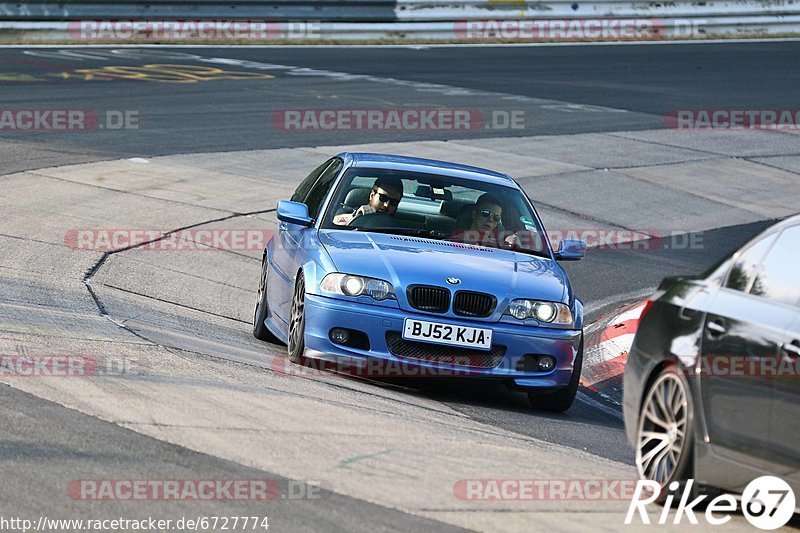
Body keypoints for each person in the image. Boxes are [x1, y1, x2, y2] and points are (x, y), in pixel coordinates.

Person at [450, 193, 520, 248]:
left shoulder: (500, 248)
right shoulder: (453, 242)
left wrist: (512, 245)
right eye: (486, 213)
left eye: (496, 217)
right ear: (474, 214)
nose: (490, 219)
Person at [332, 177, 403, 226]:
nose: (386, 205)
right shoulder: (348, 212)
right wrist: (355, 216)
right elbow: (335, 221)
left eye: (393, 202)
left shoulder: (396, 228)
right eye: (383, 198)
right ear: (372, 195)